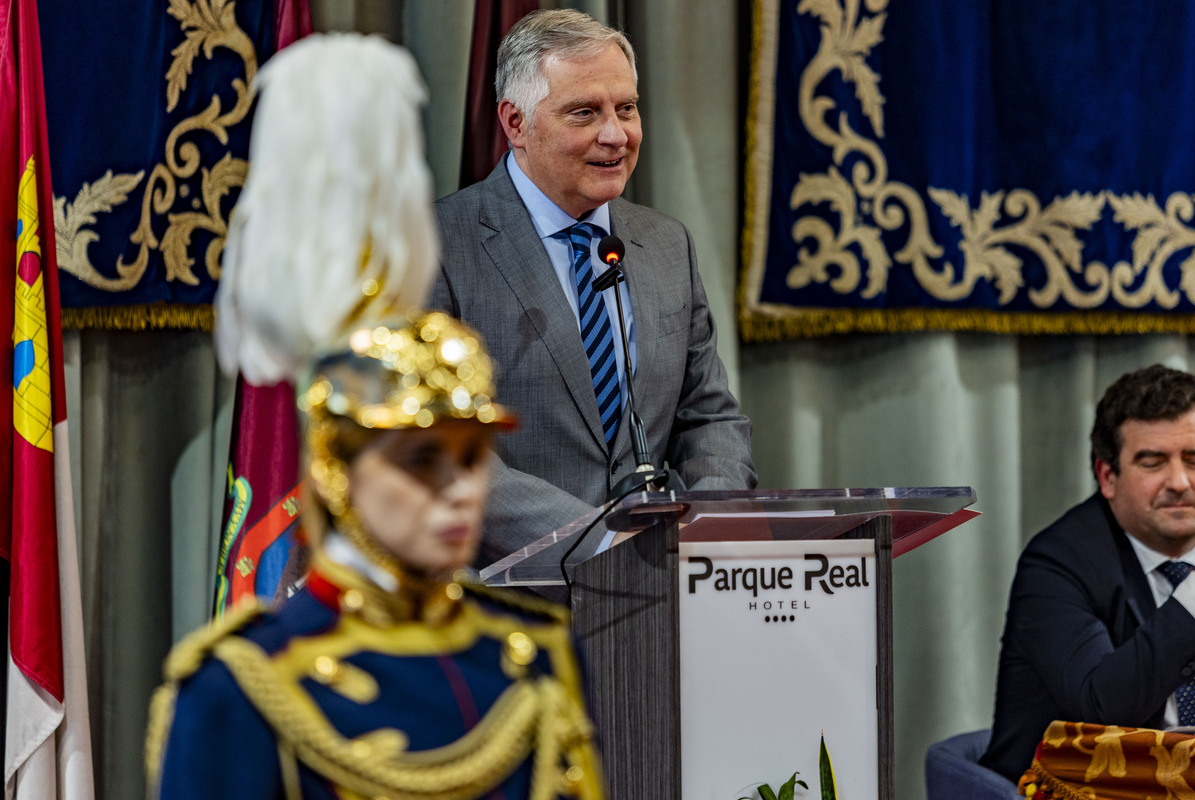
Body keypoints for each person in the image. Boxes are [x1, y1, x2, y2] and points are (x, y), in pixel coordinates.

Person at [146, 311, 606, 800]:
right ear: (334, 469)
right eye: (422, 460)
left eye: (472, 457)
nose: (462, 490)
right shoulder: (239, 687)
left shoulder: (539, 656)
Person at [431, 9, 756, 567]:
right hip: (506, 600)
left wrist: (708, 524)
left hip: (660, 595)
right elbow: (441, 447)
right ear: (516, 124)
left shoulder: (665, 244)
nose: (616, 135)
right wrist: (596, 541)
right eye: (584, 113)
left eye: (626, 109)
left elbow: (708, 416)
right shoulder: (438, 246)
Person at [981, 364, 1195, 783]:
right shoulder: (1057, 563)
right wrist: (1194, 598)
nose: (1179, 481)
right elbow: (1103, 710)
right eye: (1153, 462)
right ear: (1107, 476)